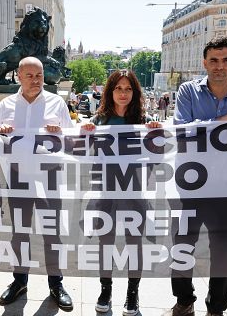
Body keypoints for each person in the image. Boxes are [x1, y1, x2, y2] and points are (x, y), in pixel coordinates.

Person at [0, 56, 74, 310]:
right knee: (20, 233)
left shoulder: (56, 103)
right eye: (30, 75)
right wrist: (0, 132)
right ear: (18, 76)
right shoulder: (6, 104)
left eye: (39, 75)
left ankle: (56, 283)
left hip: (49, 177)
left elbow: (71, 142)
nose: (36, 80)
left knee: (52, 233)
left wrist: (60, 132)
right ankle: (19, 281)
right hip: (18, 178)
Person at [166, 36, 227, 316]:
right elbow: (183, 132)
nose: (219, 66)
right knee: (182, 247)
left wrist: (206, 127)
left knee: (223, 252)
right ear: (204, 62)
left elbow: (196, 130)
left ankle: (216, 308)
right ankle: (184, 301)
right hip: (190, 187)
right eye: (213, 60)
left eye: (225, 60)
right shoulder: (188, 91)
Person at [82, 70, 161, 315]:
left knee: (133, 243)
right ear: (110, 91)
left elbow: (158, 158)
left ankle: (132, 293)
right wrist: (84, 133)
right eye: (118, 88)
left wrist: (155, 134)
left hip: (134, 192)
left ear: (135, 92)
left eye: (128, 89)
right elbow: (80, 152)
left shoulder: (144, 119)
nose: (123, 93)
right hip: (105, 192)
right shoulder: (99, 120)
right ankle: (105, 289)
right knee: (106, 242)